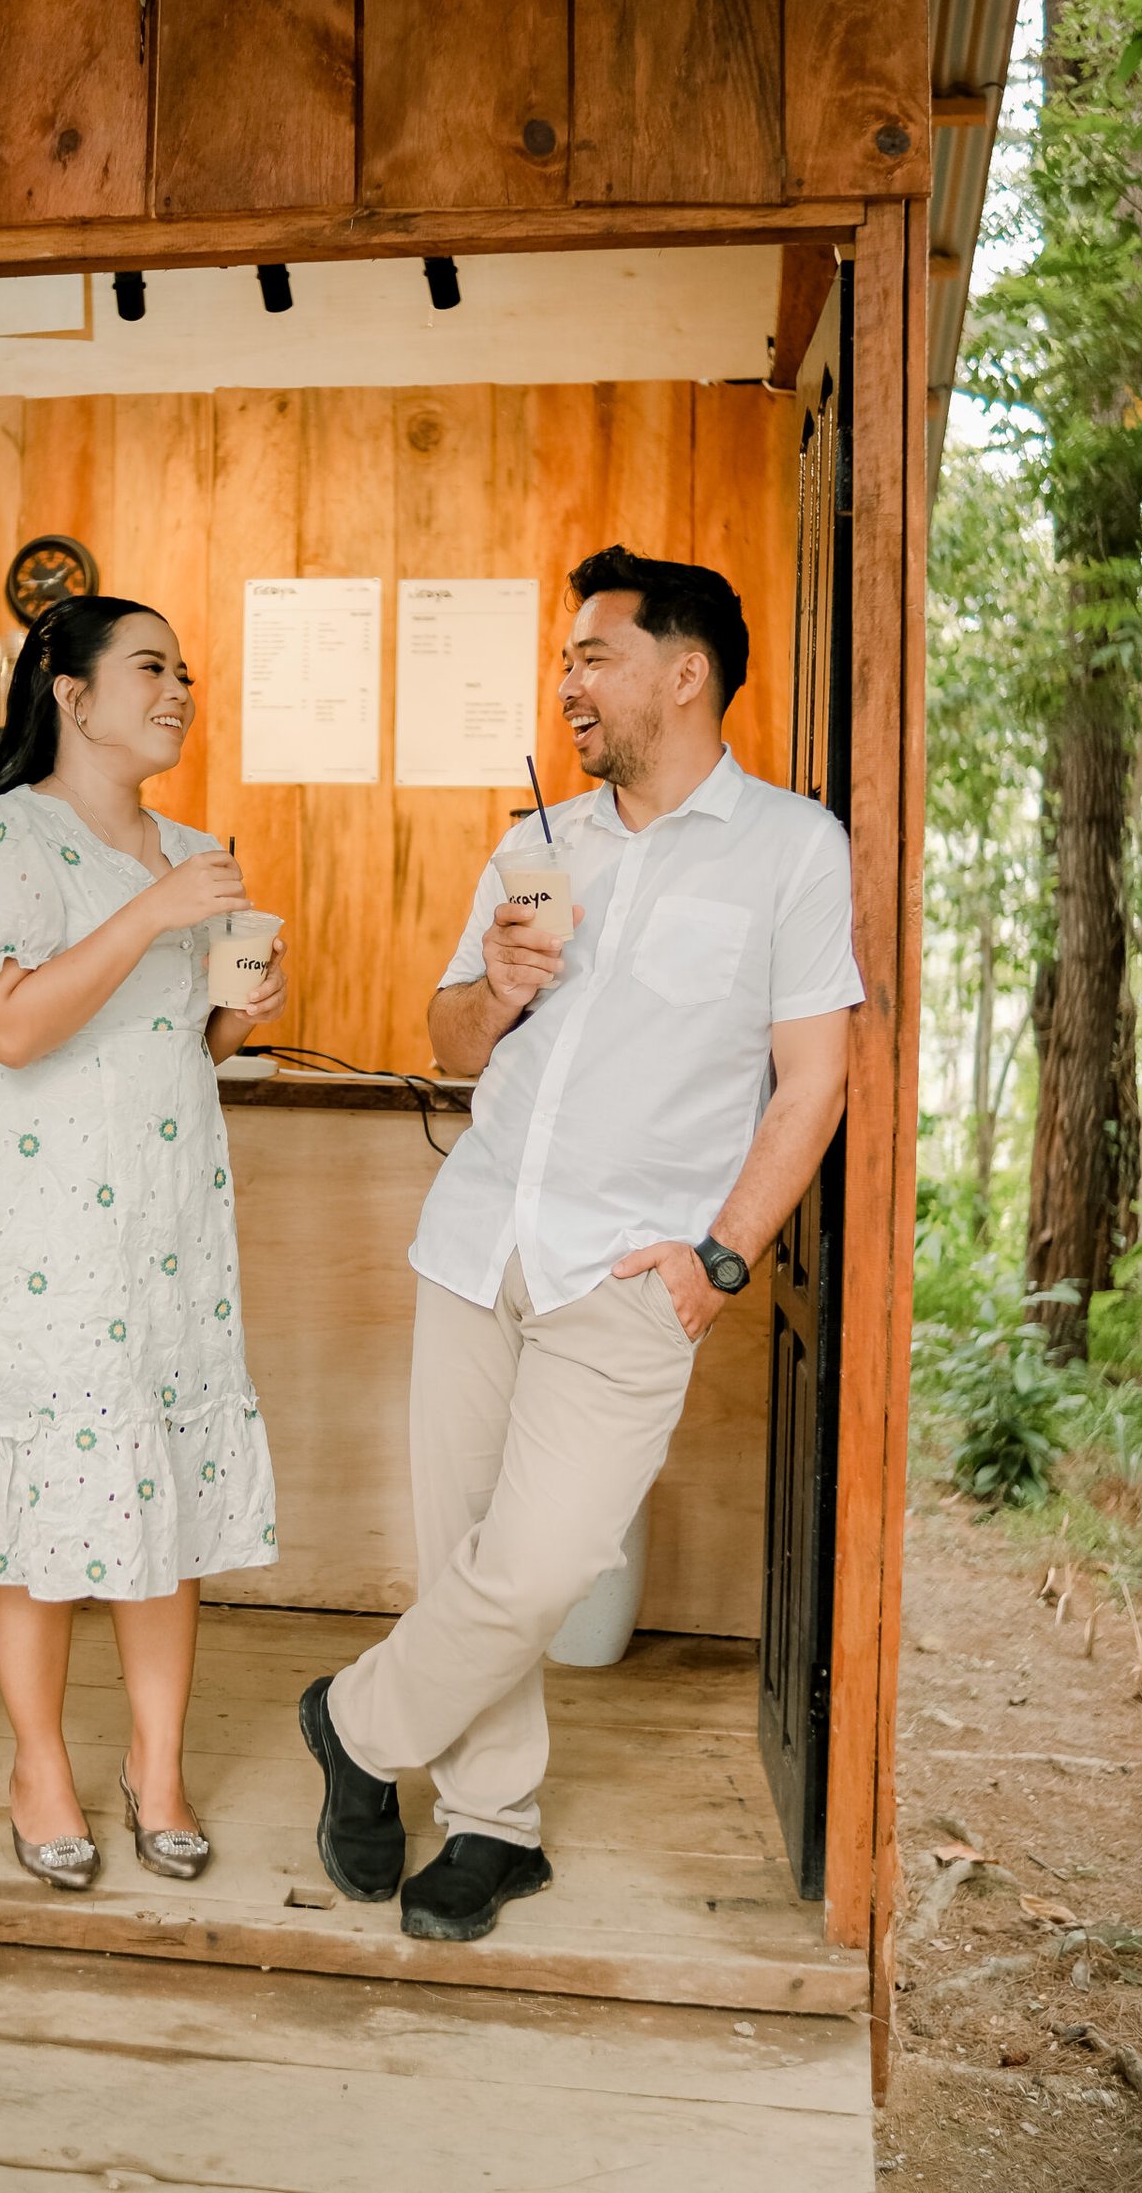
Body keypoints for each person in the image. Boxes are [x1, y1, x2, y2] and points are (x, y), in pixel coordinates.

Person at [299, 547, 863, 1943]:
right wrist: (493, 988)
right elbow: (447, 1039)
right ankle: (494, 1825)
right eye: (564, 662)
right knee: (464, 1557)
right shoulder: (536, 843)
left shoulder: (792, 848)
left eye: (594, 657)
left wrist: (719, 1261)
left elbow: (813, 1083)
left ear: (688, 672)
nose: (568, 684)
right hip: (477, 1238)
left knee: (543, 1564)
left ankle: (353, 1726)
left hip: (631, 1272)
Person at [0, 595, 285, 1890]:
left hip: (167, 1218)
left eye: (186, 671)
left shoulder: (193, 851)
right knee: (41, 1485)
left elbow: (183, 1043)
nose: (179, 690)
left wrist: (240, 1012)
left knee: (156, 1475)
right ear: (69, 691)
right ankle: (40, 1768)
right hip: (36, 1219)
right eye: (151, 667)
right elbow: (9, 1031)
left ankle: (157, 1769)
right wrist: (153, 914)